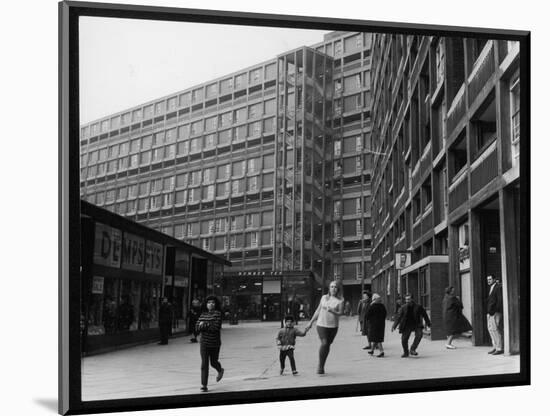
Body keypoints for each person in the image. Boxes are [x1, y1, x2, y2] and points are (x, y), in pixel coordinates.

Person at [305, 281, 344, 375]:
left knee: (327, 345)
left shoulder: (341, 300)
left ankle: (322, 364)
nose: (333, 289)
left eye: (335, 287)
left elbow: (340, 313)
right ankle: (320, 366)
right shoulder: (324, 298)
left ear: (338, 289)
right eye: (331, 287)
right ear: (329, 288)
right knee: (324, 343)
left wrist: (333, 311)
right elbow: (318, 311)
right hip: (321, 324)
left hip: (333, 326)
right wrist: (310, 322)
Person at [196, 295, 224, 392]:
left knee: (213, 362)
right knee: (204, 364)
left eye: (212, 302)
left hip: (214, 343)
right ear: (206, 304)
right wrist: (206, 325)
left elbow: (215, 328)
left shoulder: (218, 314)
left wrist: (203, 325)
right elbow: (197, 328)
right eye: (208, 302)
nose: (210, 304)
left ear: (215, 304)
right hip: (204, 343)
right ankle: (204, 385)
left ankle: (220, 370)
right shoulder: (203, 314)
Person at [391, 293, 431, 357]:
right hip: (406, 325)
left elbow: (425, 315)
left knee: (419, 335)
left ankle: (412, 349)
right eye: (406, 299)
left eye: (408, 299)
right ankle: (406, 352)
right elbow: (399, 317)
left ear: (412, 299)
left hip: (416, 324)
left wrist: (428, 323)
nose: (407, 301)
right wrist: (394, 326)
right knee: (404, 339)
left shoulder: (418, 306)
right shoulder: (403, 307)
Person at [365, 293, 387, 357]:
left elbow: (367, 315)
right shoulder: (382, 306)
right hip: (381, 324)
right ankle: (372, 350)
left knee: (377, 338)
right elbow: (385, 314)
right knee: (376, 337)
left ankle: (381, 351)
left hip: (374, 324)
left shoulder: (372, 306)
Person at [486, 275, 503, 355]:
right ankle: (495, 346)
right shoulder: (491, 287)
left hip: (495, 312)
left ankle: (499, 348)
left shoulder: (498, 287)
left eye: (490, 279)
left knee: (495, 330)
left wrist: (495, 310)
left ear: (494, 279)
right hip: (490, 312)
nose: (488, 281)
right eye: (488, 279)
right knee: (491, 329)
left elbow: (499, 300)